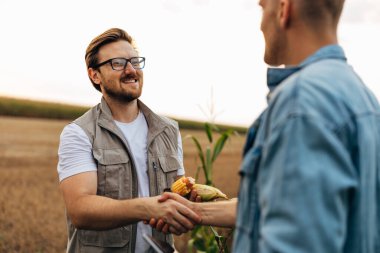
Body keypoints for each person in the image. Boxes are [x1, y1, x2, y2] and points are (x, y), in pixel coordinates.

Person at [154, 0, 380, 252]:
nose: (261, 22)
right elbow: (289, 207)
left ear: (284, 9)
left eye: (263, 8)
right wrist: (195, 210)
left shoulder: (300, 104)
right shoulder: (363, 98)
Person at [56, 28, 201, 253]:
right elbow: (80, 210)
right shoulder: (79, 133)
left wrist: (185, 206)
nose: (131, 70)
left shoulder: (169, 130)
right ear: (95, 75)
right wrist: (148, 208)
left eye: (135, 61)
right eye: (118, 63)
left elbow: (176, 193)